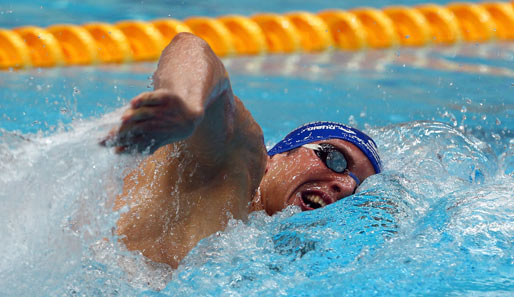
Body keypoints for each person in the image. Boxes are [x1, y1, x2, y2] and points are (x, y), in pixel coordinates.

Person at [101, 32, 382, 269]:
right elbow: (190, 48)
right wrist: (186, 105)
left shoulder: (281, 253)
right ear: (277, 156)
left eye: (356, 190)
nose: (344, 186)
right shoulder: (237, 161)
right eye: (334, 159)